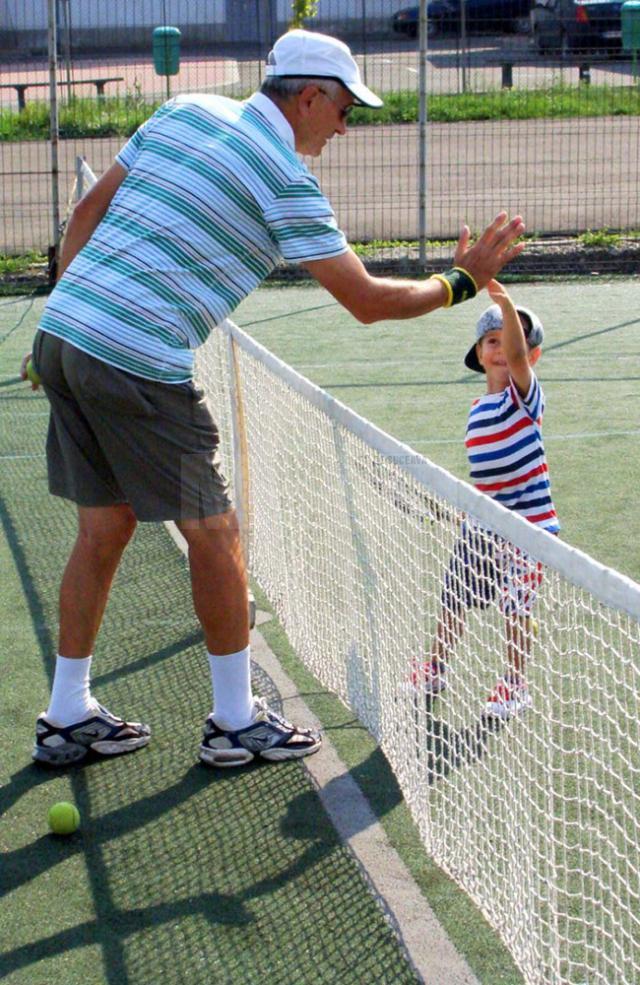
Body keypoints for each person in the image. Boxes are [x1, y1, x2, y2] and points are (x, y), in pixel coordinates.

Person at [22, 28, 526, 769]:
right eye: (345, 107)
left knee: (105, 528)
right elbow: (367, 299)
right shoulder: (284, 178)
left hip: (63, 340)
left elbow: (89, 210)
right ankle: (234, 721)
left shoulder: (186, 110)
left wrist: (70, 310)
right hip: (138, 362)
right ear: (311, 96)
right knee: (217, 536)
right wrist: (462, 281)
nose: (347, 125)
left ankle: (67, 713)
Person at [417, 280, 559, 719]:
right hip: (483, 525)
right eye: (491, 341)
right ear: (479, 354)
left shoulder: (525, 399)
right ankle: (436, 667)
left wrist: (506, 305)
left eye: (512, 340)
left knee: (516, 610)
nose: (501, 350)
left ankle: (514, 686)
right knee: (455, 596)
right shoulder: (477, 409)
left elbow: (515, 357)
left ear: (530, 357)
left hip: (528, 530)